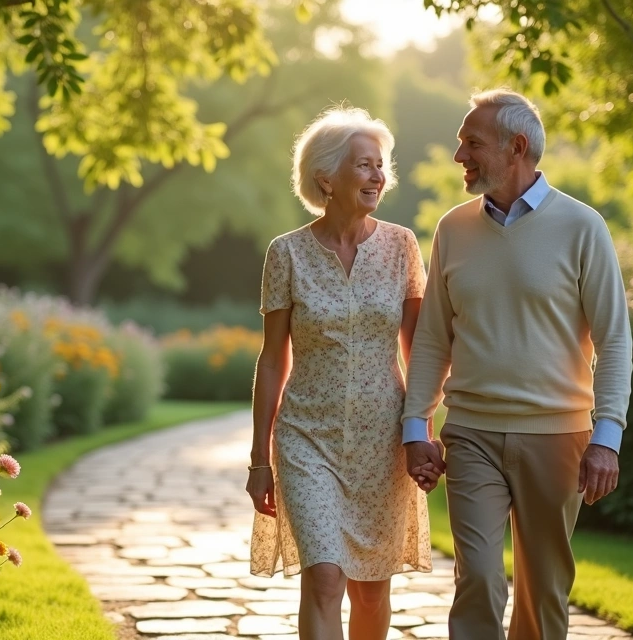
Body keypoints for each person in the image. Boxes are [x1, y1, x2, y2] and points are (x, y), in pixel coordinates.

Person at [401, 89, 633, 640]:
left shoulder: (582, 227)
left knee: (543, 590)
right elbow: (433, 337)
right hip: (473, 433)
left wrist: (607, 438)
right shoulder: (453, 229)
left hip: (559, 436)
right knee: (477, 577)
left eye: (471, 143)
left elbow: (615, 341)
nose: (460, 155)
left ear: (517, 147)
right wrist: (416, 426)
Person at [246, 106, 442, 640]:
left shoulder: (401, 247)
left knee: (373, 589)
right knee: (326, 578)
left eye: (381, 165)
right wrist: (259, 459)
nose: (378, 175)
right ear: (325, 178)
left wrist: (420, 432)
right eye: (364, 165)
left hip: (382, 441)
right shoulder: (285, 254)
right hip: (307, 437)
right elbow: (271, 360)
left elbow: (420, 351)